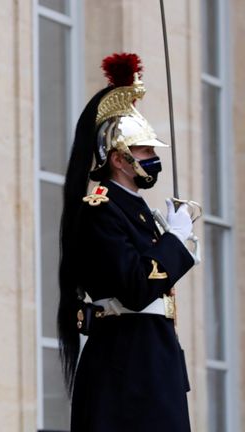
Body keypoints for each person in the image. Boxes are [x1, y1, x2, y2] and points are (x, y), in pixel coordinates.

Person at [57, 53, 197, 431]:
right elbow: (136, 288)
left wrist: (170, 237)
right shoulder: (101, 210)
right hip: (125, 370)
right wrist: (176, 241)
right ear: (119, 159)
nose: (153, 159)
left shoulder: (136, 211)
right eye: (145, 151)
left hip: (152, 363)